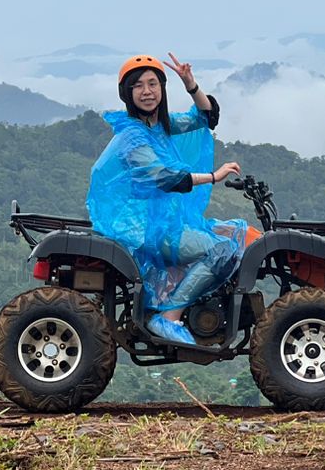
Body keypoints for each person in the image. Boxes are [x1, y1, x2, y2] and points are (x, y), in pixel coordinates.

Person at [87, 53, 248, 346]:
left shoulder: (158, 126)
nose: (147, 91)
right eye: (138, 86)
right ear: (128, 93)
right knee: (222, 251)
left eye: (153, 83)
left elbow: (205, 117)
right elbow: (165, 177)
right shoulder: (132, 137)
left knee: (240, 235)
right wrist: (213, 176)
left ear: (162, 88)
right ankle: (169, 316)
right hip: (146, 229)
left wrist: (190, 84)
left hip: (164, 221)